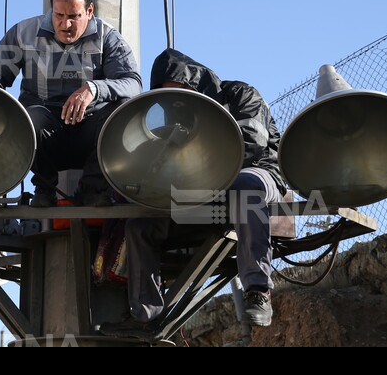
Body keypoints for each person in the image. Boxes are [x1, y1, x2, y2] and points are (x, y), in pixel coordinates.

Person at [100, 48, 287, 341]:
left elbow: (253, 141)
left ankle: (257, 290)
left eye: (178, 91)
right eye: (166, 95)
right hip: (201, 190)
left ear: (193, 82)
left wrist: (198, 159)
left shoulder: (240, 94)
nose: (175, 100)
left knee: (245, 187)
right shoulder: (178, 121)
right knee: (140, 224)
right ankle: (145, 317)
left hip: (255, 171)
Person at [0, 0, 141, 207]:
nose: (65, 25)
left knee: (124, 111)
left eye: (74, 16)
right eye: (59, 16)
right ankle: (45, 188)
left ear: (89, 11)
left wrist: (94, 89)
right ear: (51, 10)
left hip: (93, 135)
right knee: (27, 116)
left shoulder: (108, 37)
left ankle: (92, 189)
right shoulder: (23, 33)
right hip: (44, 135)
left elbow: (132, 84)